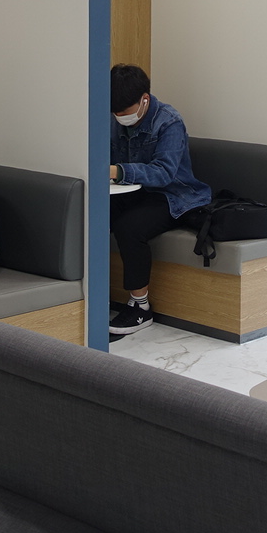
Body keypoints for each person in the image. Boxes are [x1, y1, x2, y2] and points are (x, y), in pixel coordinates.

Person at [109, 63, 211, 335]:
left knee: (129, 227)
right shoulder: (113, 117)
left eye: (125, 111)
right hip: (131, 191)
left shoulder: (169, 122)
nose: (119, 117)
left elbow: (164, 172)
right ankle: (92, 293)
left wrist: (118, 171)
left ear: (144, 99)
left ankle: (140, 307)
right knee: (90, 213)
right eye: (115, 112)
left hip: (174, 196)